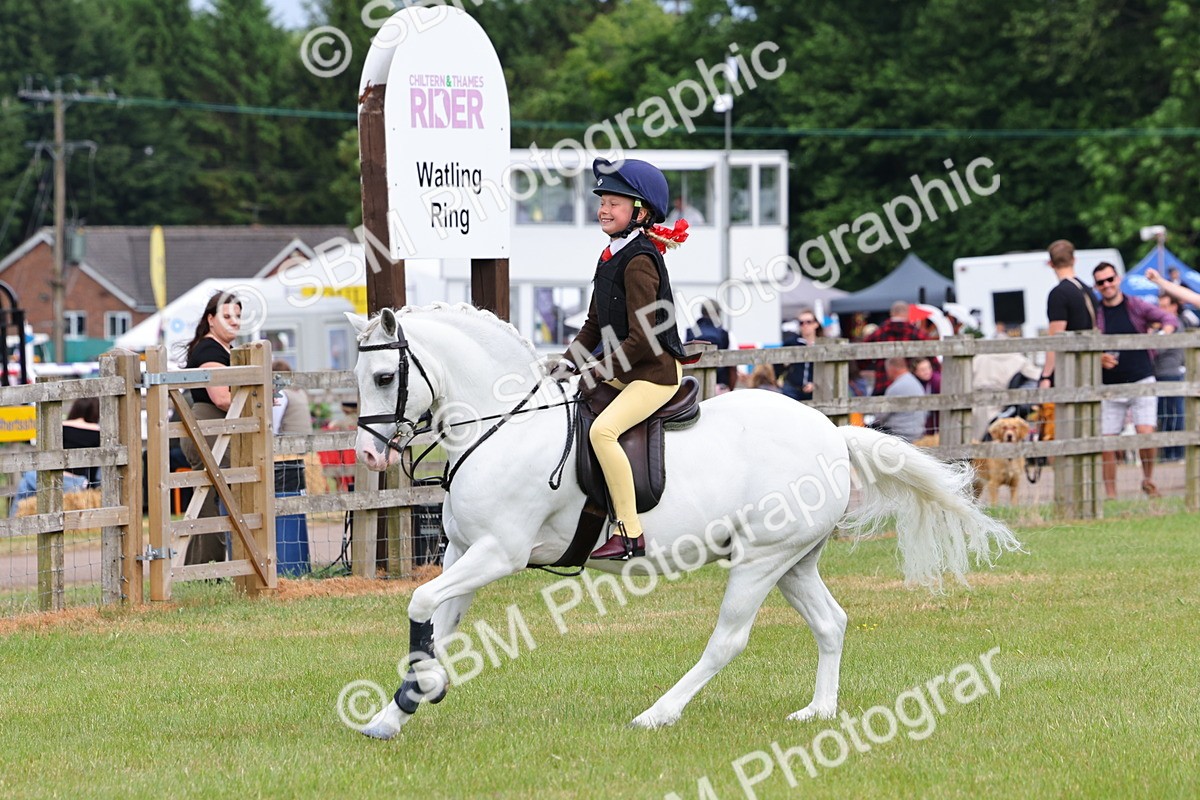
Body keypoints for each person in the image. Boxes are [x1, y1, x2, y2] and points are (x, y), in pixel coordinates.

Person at [551, 157, 692, 561]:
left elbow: (644, 338)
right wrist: (565, 364)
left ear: (640, 212)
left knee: (603, 432)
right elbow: (594, 325)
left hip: (654, 372)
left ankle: (630, 532)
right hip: (628, 368)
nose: (604, 209)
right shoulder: (610, 255)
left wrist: (599, 369)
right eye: (602, 201)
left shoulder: (641, 260)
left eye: (615, 202)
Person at [1092, 262, 1177, 498]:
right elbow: (1084, 342)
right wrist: (1097, 357)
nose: (1107, 285)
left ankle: (1148, 480)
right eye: (1101, 282)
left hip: (1141, 377)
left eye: (1110, 279)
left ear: (1118, 279)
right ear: (1096, 286)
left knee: (1146, 433)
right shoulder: (1095, 313)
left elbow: (1169, 320)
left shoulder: (1136, 305)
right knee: (1107, 442)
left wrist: (1161, 337)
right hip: (1110, 385)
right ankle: (1111, 495)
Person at [178, 290, 242, 564]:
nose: (234, 321)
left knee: (206, 497)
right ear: (211, 319)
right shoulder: (209, 349)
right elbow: (221, 397)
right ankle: (209, 566)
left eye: (238, 316)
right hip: (209, 424)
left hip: (215, 426)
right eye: (227, 316)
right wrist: (257, 402)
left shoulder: (222, 349)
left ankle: (198, 567)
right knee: (214, 496)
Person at [11, 397, 101, 514]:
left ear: (75, 409)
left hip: (52, 478)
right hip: (79, 484)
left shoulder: (61, 426)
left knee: (26, 480)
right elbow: (95, 469)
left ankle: (14, 518)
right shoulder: (98, 432)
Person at [1039, 239, 1098, 389]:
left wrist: (1046, 375)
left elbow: (1055, 338)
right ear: (1074, 260)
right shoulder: (1088, 290)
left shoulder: (1059, 294)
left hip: (1070, 369)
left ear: (1050, 264)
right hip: (1092, 365)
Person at [1151, 293, 1192, 462]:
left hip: (1171, 374)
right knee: (1165, 415)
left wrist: (1151, 335)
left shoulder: (1173, 324)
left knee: (1174, 415)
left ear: (1174, 306)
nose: (1163, 310)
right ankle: (1170, 453)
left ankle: (1176, 453)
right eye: (1160, 306)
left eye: (1166, 306)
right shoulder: (1165, 325)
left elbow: (1158, 348)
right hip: (1162, 374)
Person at [863, 301, 926, 395]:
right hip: (910, 382)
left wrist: (870, 365)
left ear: (891, 313)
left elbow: (863, 353)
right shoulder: (915, 332)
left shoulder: (880, 331)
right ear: (907, 313)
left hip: (882, 382)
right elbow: (931, 356)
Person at [870, 357, 925, 442]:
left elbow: (881, 417)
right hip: (917, 432)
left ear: (892, 369)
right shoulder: (915, 382)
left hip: (900, 434)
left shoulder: (895, 387)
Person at [686, 299, 733, 390]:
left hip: (692, 387)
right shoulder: (725, 334)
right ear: (717, 314)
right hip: (719, 387)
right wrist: (730, 390)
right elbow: (732, 368)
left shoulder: (689, 332)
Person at [780, 309, 822, 401]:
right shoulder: (791, 342)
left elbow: (826, 370)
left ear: (816, 324)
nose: (805, 325)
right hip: (792, 387)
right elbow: (778, 364)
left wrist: (816, 383)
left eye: (808, 322)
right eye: (801, 323)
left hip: (817, 388)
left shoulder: (823, 345)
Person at [913, 357, 941, 436]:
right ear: (916, 372)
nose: (927, 372)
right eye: (922, 370)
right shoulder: (916, 383)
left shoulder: (937, 381)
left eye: (928, 368)